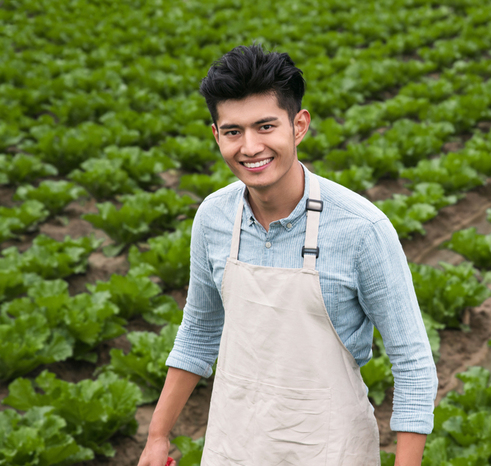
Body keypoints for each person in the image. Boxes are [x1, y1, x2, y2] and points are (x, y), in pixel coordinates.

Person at [138, 42, 438, 466]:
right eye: (233, 131)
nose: (250, 147)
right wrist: (157, 435)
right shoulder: (214, 218)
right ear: (216, 135)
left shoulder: (361, 230)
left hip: (330, 451)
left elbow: (413, 364)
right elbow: (199, 333)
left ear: (298, 126)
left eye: (265, 127)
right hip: (233, 446)